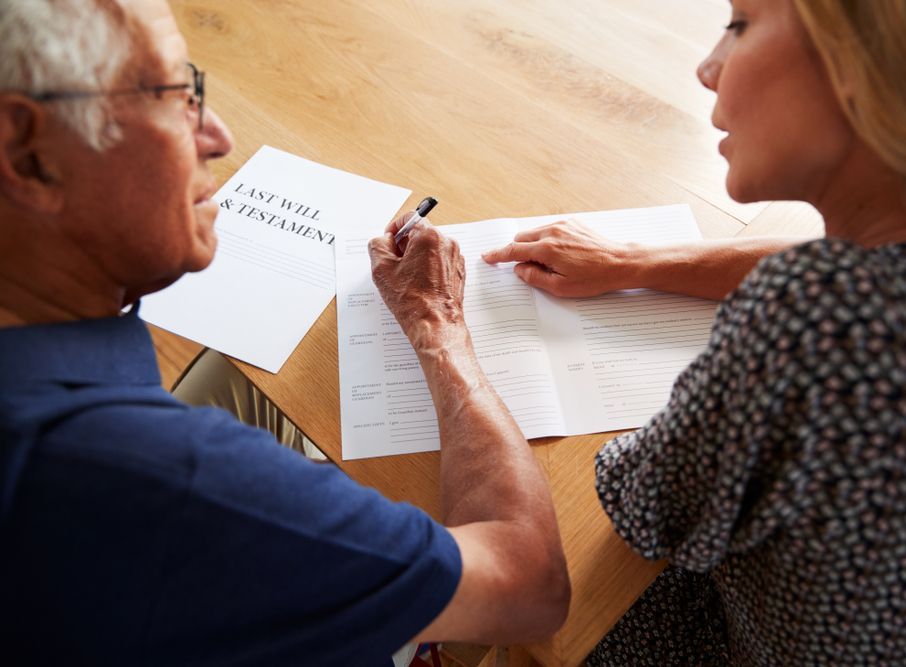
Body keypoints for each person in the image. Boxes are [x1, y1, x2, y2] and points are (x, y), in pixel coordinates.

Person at [0, 1, 569, 664]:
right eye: (174, 97)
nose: (217, 134)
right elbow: (531, 584)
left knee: (227, 383)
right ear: (29, 155)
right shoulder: (173, 481)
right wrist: (436, 323)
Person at [469, 0, 906, 664]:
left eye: (741, 24)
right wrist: (637, 263)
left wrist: (440, 332)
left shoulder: (823, 316)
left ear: (865, 62)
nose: (706, 67)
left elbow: (642, 504)